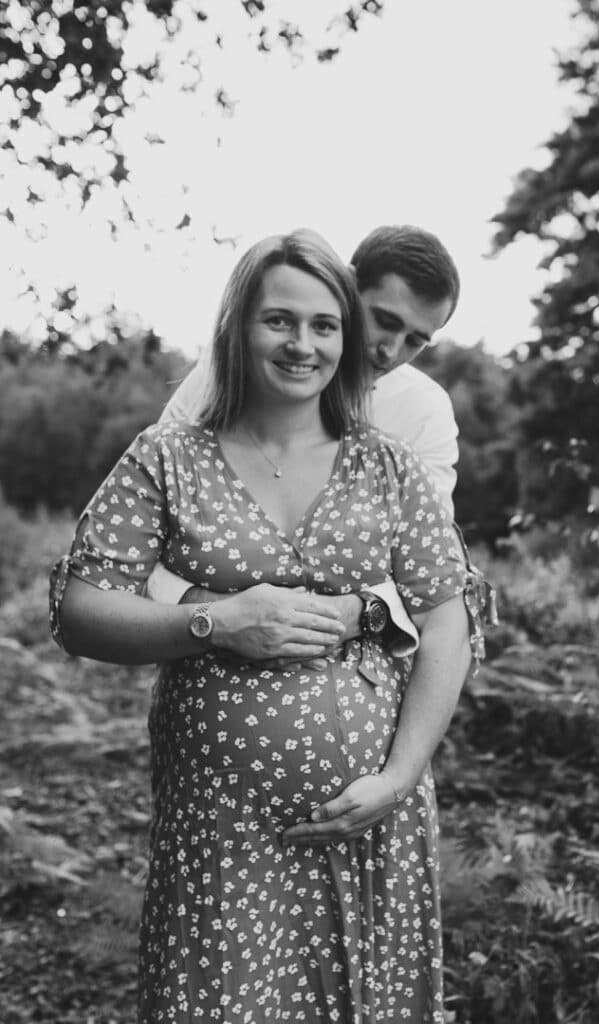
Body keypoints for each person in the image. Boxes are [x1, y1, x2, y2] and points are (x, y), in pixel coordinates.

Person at [50, 229, 487, 1023]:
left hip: (369, 814)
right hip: (223, 818)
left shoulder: (390, 455)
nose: (305, 343)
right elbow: (82, 608)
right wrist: (219, 621)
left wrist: (395, 778)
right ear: (239, 326)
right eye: (279, 321)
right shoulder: (170, 452)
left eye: (323, 328)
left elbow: (445, 613)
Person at [147, 225, 467, 666]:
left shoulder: (424, 410)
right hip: (208, 672)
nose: (391, 351)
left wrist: (337, 617)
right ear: (346, 284)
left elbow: (431, 573)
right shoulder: (222, 376)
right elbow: (150, 526)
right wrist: (220, 615)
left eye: (415, 340)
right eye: (386, 321)